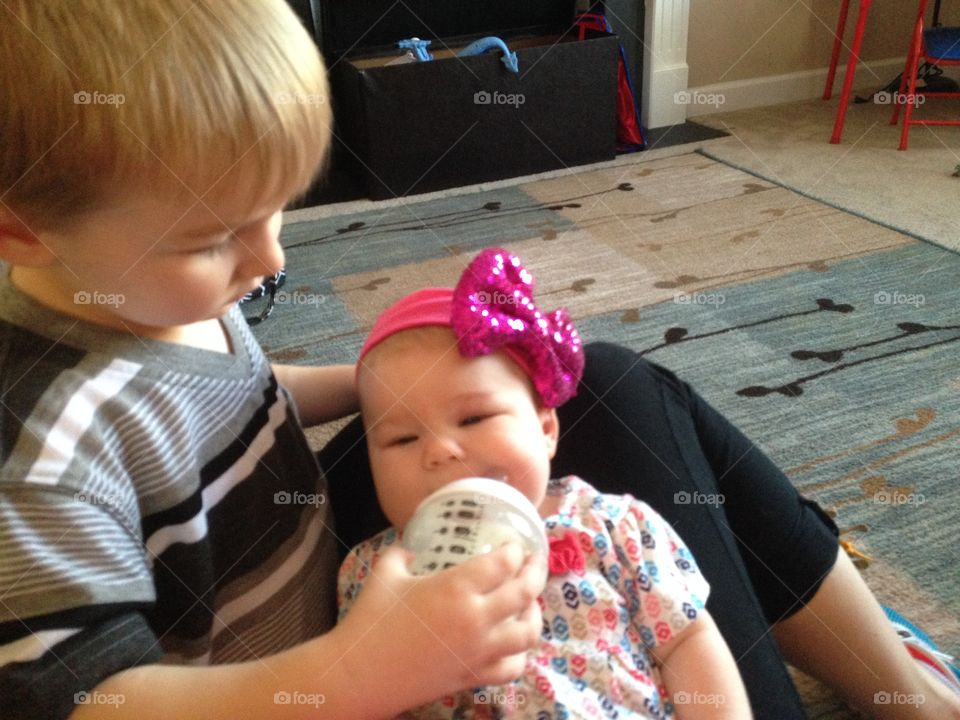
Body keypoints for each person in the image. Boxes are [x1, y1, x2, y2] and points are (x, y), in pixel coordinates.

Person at [0, 3, 543, 719]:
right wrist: (354, 675)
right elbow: (89, 699)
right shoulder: (39, 458)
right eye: (212, 238)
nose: (270, 259)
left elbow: (243, 396)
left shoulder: (161, 295)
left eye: (278, 208)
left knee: (539, 394)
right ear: (22, 231)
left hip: (322, 595)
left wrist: (379, 388)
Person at [341, 247, 754, 719]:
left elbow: (687, 641)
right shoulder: (374, 576)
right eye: (401, 438)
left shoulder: (612, 525)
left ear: (545, 430)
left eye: (474, 417)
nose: (439, 450)